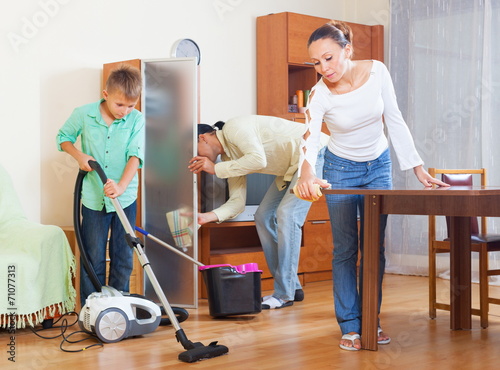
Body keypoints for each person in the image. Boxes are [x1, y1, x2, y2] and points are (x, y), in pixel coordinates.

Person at [294, 21, 448, 350]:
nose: (324, 68)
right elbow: (310, 136)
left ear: (347, 51)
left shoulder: (377, 71)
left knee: (374, 248)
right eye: (316, 62)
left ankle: (370, 321)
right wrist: (307, 172)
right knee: (346, 250)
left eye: (329, 58)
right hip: (340, 169)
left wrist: (418, 169)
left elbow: (394, 118)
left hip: (379, 166)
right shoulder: (319, 93)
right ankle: (350, 325)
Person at [188, 115, 328, 309]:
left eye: (193, 150)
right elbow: (237, 203)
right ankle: (292, 286)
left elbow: (257, 160)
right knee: (262, 216)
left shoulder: (234, 127)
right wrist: (205, 217)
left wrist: (216, 168)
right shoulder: (229, 159)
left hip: (314, 153)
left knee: (287, 215)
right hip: (291, 169)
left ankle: (283, 294)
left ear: (202, 137)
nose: (195, 156)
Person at [56, 65, 145, 305]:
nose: (125, 111)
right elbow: (63, 138)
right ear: (105, 94)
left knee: (123, 255)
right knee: (92, 256)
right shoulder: (83, 114)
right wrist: (79, 156)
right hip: (94, 197)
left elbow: (135, 156)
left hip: (124, 199)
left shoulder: (136, 120)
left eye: (131, 106)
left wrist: (122, 187)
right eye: (119, 105)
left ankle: (119, 308)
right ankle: (92, 310)